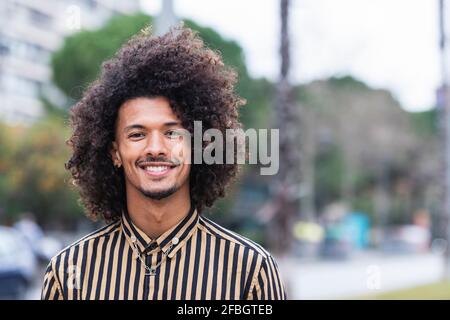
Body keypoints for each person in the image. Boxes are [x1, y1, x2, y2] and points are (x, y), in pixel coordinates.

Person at [41, 25, 286, 300]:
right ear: (114, 152)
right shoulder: (68, 273)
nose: (155, 148)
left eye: (172, 133)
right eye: (137, 134)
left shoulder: (249, 272)